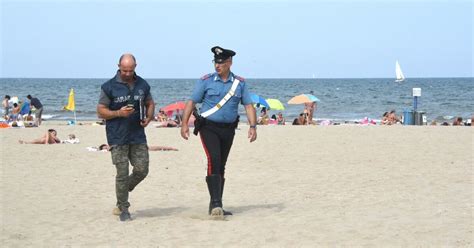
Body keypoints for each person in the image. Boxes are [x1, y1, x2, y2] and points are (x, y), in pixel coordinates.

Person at [180, 46, 257, 219]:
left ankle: (216, 203)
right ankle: (216, 204)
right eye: (216, 62)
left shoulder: (240, 83)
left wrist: (253, 127)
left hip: (229, 129)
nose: (217, 65)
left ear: (229, 63)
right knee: (213, 159)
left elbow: (248, 105)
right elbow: (192, 102)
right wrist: (184, 124)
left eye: (221, 62)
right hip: (208, 127)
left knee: (221, 164)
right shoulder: (206, 81)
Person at [96, 53, 155, 221]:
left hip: (137, 135)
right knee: (122, 173)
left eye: (130, 70)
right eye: (124, 70)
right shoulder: (108, 86)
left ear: (135, 67)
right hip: (117, 136)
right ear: (118, 66)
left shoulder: (142, 84)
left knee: (142, 170)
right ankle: (123, 208)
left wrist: (149, 117)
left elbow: (150, 103)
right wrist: (118, 113)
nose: (127, 73)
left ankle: (122, 189)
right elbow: (100, 111)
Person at [97, 144, 178, 151]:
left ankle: (171, 148)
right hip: (136, 149)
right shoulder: (113, 148)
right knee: (156, 148)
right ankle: (170, 148)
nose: (105, 148)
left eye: (105, 147)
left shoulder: (113, 145)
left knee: (157, 147)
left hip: (137, 147)